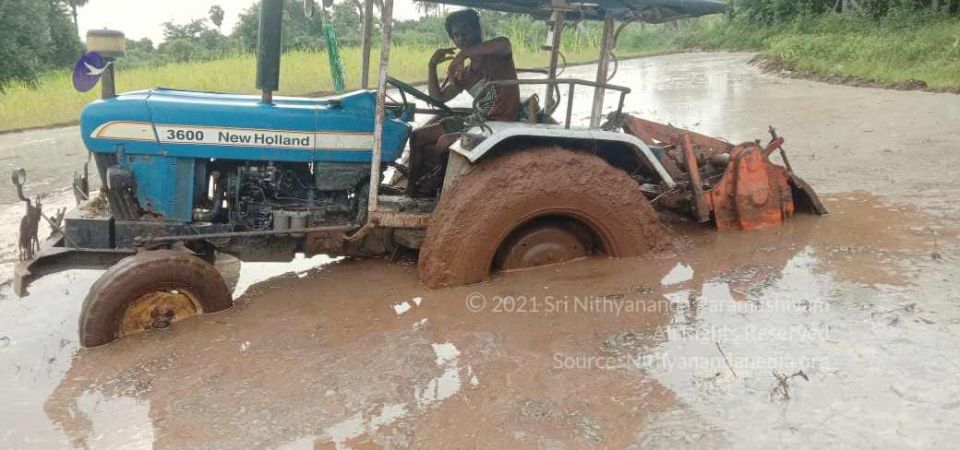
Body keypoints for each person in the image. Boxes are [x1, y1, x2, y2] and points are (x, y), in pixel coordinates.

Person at [407, 9, 520, 196]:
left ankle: (443, 191)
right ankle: (411, 191)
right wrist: (432, 65)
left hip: (499, 126)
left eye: (466, 31)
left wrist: (463, 55)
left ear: (477, 30)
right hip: (475, 123)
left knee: (444, 143)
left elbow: (503, 43)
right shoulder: (465, 73)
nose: (461, 38)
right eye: (456, 35)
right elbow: (439, 98)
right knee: (418, 136)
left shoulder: (498, 56)